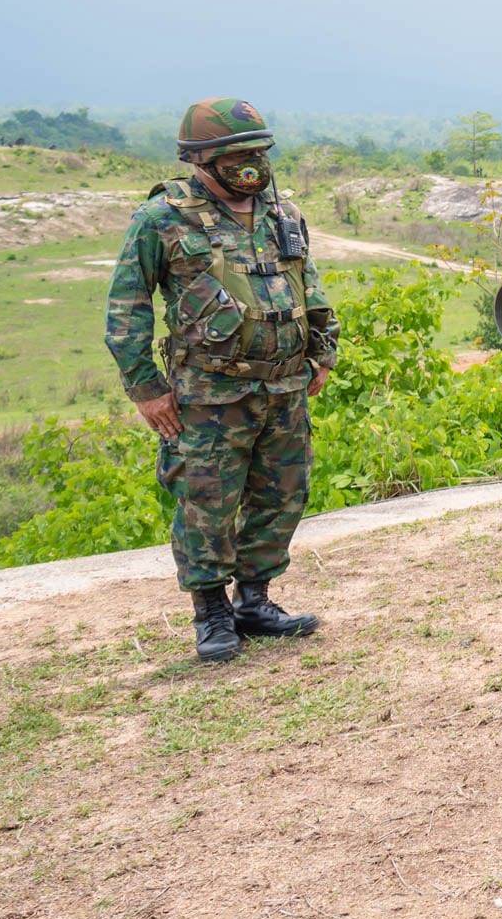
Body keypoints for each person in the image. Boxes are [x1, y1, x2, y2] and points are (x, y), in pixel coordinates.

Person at [104, 97, 336, 663]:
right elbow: (126, 309)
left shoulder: (282, 212)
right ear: (199, 159)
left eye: (258, 152)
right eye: (237, 157)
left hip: (284, 387)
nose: (252, 165)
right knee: (206, 503)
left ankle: (255, 601)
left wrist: (323, 351)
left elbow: (308, 283)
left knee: (282, 495)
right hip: (208, 396)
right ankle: (211, 613)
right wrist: (147, 389)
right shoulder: (161, 218)